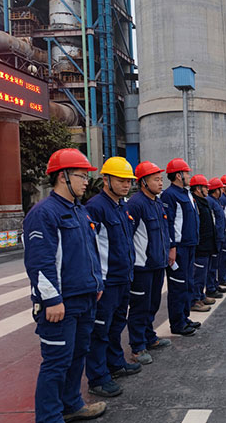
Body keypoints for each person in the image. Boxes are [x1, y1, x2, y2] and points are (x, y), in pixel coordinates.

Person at [23, 148, 106, 422]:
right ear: (63, 177)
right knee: (56, 362)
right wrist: (52, 300)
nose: (86, 182)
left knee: (78, 354)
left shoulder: (79, 210)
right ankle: (49, 417)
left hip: (85, 297)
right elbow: (40, 262)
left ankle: (71, 405)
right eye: (81, 176)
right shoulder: (44, 213)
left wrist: (97, 282)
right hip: (62, 303)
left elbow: (89, 251)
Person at [85, 157, 138, 397]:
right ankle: (98, 378)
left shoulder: (121, 205)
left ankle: (115, 364)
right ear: (106, 180)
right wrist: (97, 280)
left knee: (116, 325)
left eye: (128, 181)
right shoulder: (96, 207)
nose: (126, 185)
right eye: (121, 180)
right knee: (100, 330)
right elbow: (91, 247)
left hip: (123, 276)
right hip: (107, 280)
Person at [128, 161, 181, 367]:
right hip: (142, 266)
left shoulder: (157, 203)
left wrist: (170, 249)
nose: (160, 183)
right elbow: (128, 236)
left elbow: (165, 230)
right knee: (140, 307)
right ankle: (137, 346)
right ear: (143, 182)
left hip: (158, 263)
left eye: (160, 179)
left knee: (152, 304)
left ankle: (149, 337)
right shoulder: (136, 204)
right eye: (156, 179)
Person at [161, 158, 205, 332]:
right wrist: (171, 247)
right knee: (178, 285)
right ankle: (177, 324)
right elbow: (169, 223)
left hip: (190, 245)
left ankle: (185, 318)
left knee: (187, 283)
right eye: (186, 173)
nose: (189, 176)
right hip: (179, 248)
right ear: (179, 175)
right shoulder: (170, 195)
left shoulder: (186, 193)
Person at [189, 175, 217, 311]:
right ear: (198, 188)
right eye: (205, 187)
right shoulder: (195, 203)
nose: (207, 189)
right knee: (198, 274)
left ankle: (201, 295)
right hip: (200, 245)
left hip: (207, 243)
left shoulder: (203, 201)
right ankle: (195, 300)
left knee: (203, 273)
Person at [207, 177, 226, 298]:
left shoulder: (216, 201)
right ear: (216, 190)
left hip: (219, 236)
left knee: (215, 263)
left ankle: (214, 284)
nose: (222, 191)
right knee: (212, 265)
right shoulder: (210, 201)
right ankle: (210, 287)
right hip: (214, 238)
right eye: (221, 189)